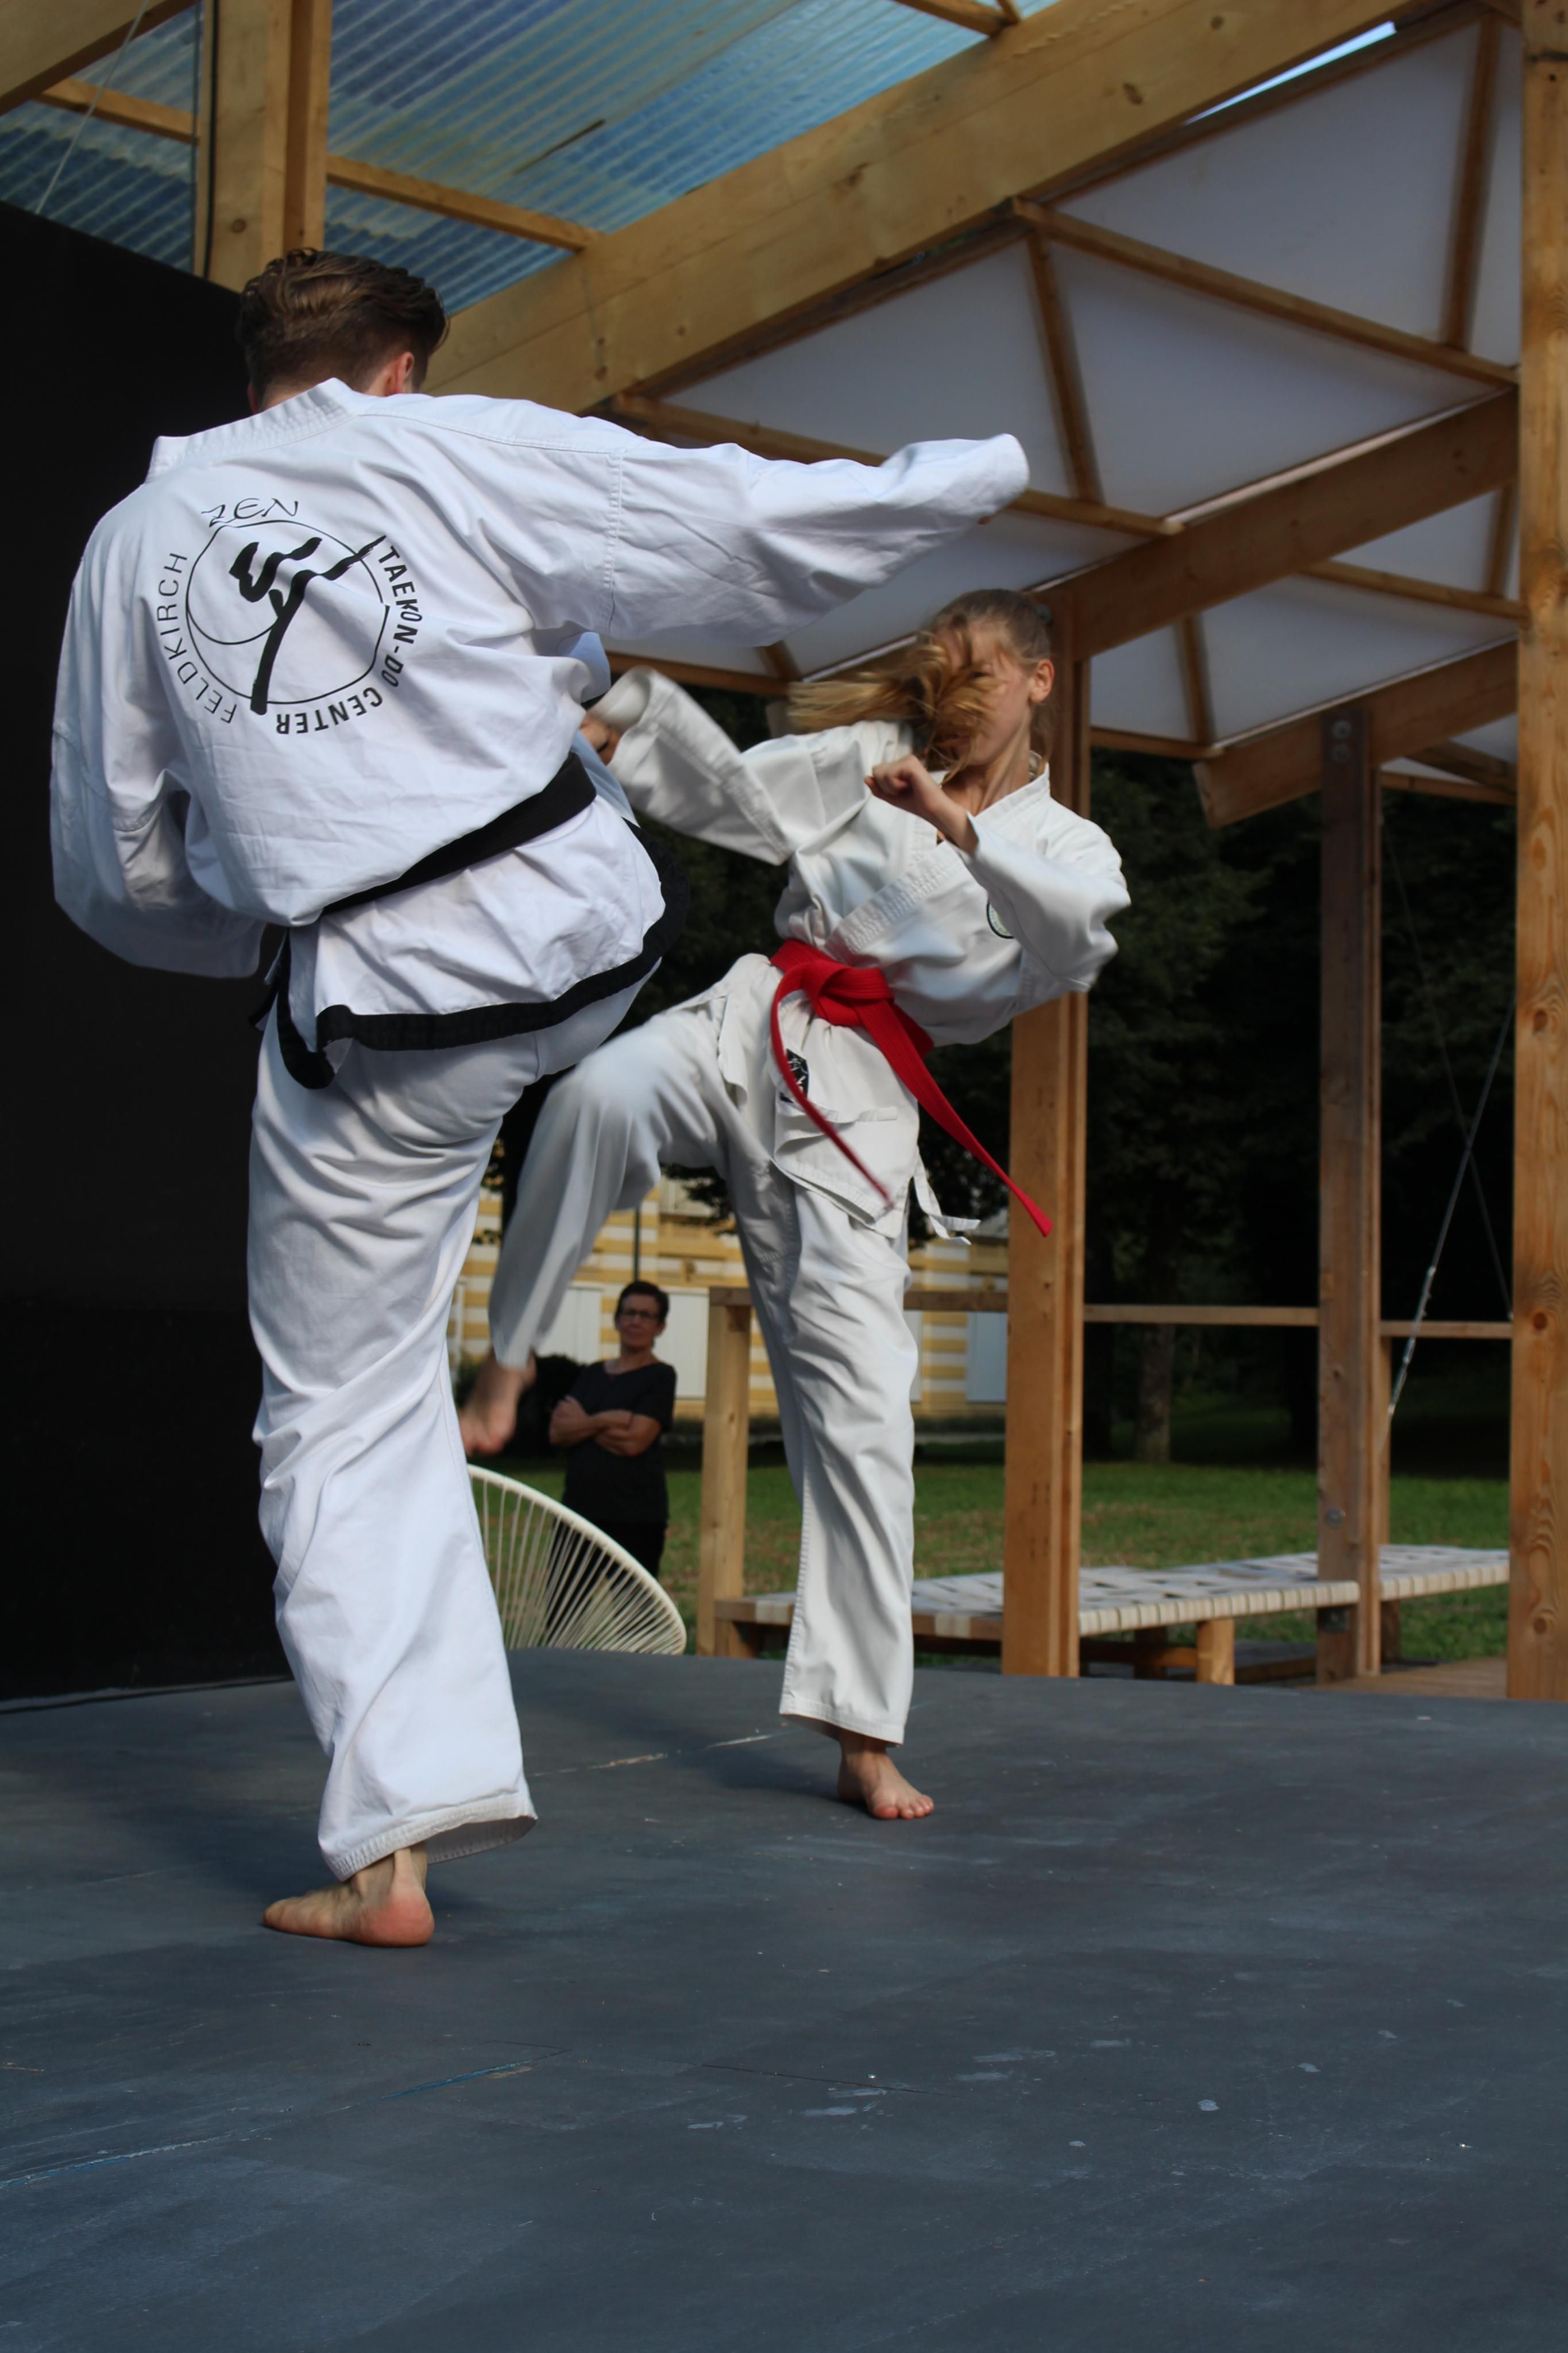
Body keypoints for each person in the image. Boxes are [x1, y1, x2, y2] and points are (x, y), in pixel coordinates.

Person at [50, 245, 1030, 1944]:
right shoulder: (443, 447)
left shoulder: (133, 546)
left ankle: (395, 1847)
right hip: (581, 939)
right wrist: (962, 481)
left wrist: (259, 921)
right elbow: (719, 526)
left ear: (258, 373)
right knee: (567, 697)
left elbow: (111, 863)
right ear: (398, 369)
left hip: (380, 1017)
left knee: (341, 1406)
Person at [459, 589, 1130, 1822]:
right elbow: (741, 797)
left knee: (865, 1422)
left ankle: (863, 1733)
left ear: (1041, 679)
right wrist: (626, 725)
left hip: (858, 1106)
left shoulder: (1069, 845)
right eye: (946, 673)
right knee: (596, 1096)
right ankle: (507, 1362)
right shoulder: (873, 758)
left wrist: (955, 826)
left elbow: (1078, 938)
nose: (960, 696)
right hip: (755, 1014)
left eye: (985, 673)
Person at [551, 1282, 677, 1579]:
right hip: (578, 1515)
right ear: (617, 1320)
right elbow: (557, 1433)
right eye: (629, 1313)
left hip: (635, 1519)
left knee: (634, 1607)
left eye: (646, 1316)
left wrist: (583, 1423)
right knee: (564, 1606)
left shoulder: (660, 1377)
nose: (636, 1321)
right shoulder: (592, 1374)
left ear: (660, 1327)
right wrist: (605, 1420)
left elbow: (634, 1442)